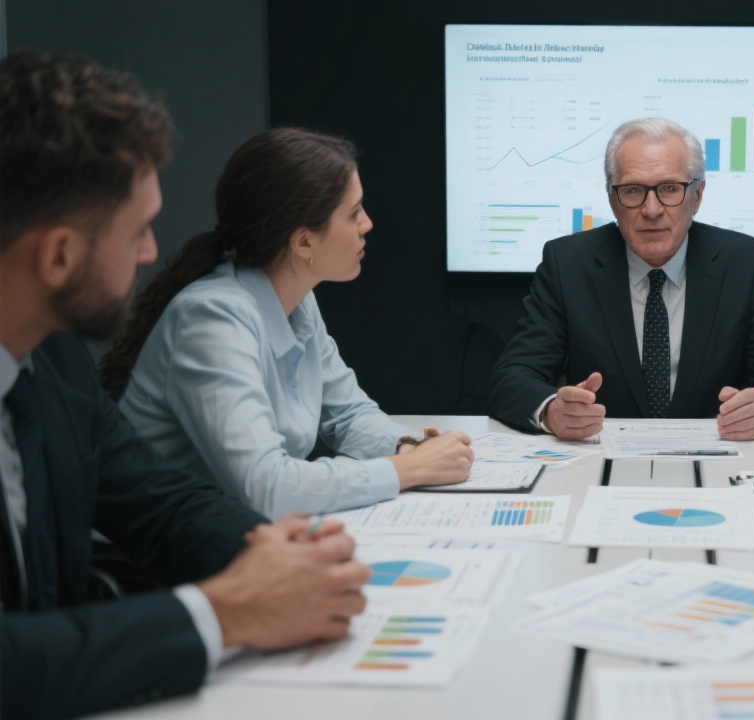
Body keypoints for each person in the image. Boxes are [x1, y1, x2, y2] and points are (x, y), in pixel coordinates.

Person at [0, 52, 370, 718]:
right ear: (57, 255)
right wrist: (220, 613)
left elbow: (157, 498)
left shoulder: (47, 358)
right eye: (137, 230)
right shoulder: (206, 310)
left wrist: (272, 551)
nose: (150, 253)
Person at [99, 128, 474, 520]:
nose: (367, 224)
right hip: (160, 556)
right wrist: (407, 469)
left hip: (226, 534)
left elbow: (348, 414)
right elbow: (267, 488)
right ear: (304, 243)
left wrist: (410, 447)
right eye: (353, 213)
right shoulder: (211, 319)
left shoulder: (297, 301)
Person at [488, 117, 754, 442]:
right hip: (597, 464)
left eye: (669, 189)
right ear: (612, 199)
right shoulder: (568, 264)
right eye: (633, 190)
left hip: (714, 463)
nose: (651, 209)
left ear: (698, 196)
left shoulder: (744, 263)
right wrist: (550, 411)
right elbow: (512, 377)